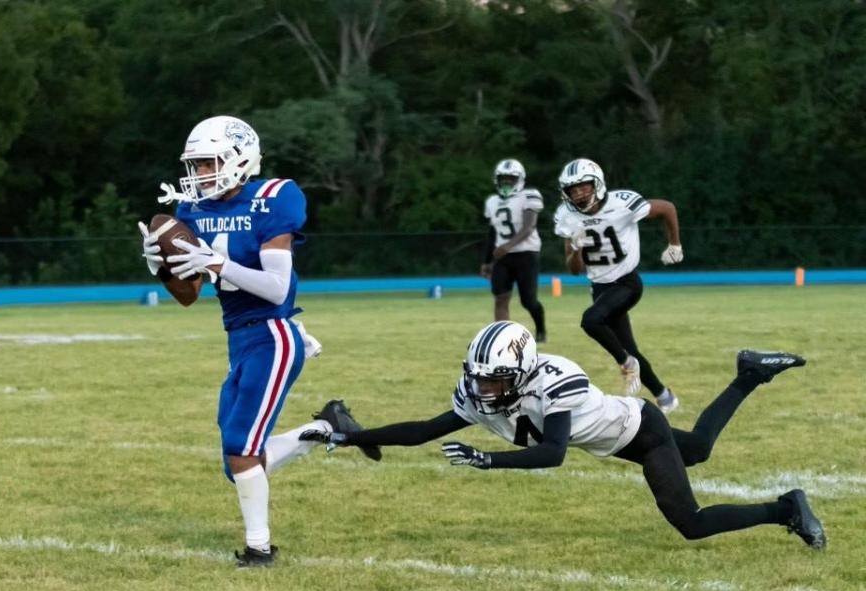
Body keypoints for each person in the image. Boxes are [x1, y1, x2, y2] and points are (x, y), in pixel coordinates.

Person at [301, 321, 826, 550]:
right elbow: (425, 430)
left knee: (689, 522)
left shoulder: (556, 380)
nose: (484, 389)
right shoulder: (486, 390)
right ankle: (749, 373)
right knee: (702, 450)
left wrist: (488, 461)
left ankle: (785, 508)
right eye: (479, 377)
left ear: (523, 370)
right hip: (613, 436)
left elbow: (552, 454)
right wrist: (350, 437)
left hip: (638, 430)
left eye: (494, 379)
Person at [137, 115, 380, 567]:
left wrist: (215, 262)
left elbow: (275, 287)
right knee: (237, 461)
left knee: (240, 446)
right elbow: (189, 296)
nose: (200, 175)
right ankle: (326, 429)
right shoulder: (193, 211)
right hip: (240, 338)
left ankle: (259, 549)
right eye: (196, 165)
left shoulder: (271, 200)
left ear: (239, 159)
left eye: (209, 163)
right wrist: (163, 268)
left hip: (274, 333)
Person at [553, 158, 682, 413]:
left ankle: (625, 363)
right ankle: (664, 395)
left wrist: (674, 243)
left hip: (627, 283)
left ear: (597, 183)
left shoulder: (622, 203)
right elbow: (574, 270)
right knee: (629, 346)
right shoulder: (567, 217)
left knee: (591, 321)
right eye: (573, 189)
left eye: (584, 186)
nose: (579, 193)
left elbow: (667, 208)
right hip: (599, 289)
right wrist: (576, 249)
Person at [480, 159, 547, 342]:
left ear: (520, 179)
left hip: (527, 254)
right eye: (503, 179)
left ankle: (540, 328)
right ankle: (502, 337)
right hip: (503, 257)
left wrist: (508, 246)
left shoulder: (529, 195)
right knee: (500, 297)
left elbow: (528, 226)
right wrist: (487, 261)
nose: (507, 182)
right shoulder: (493, 201)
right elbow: (493, 232)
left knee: (528, 301)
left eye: (511, 178)